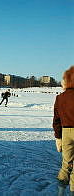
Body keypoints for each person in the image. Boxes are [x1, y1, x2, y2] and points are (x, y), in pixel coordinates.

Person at [53, 65, 74, 196]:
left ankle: (61, 192)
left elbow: (56, 120)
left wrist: (58, 137)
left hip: (66, 133)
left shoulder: (60, 97)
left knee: (66, 163)